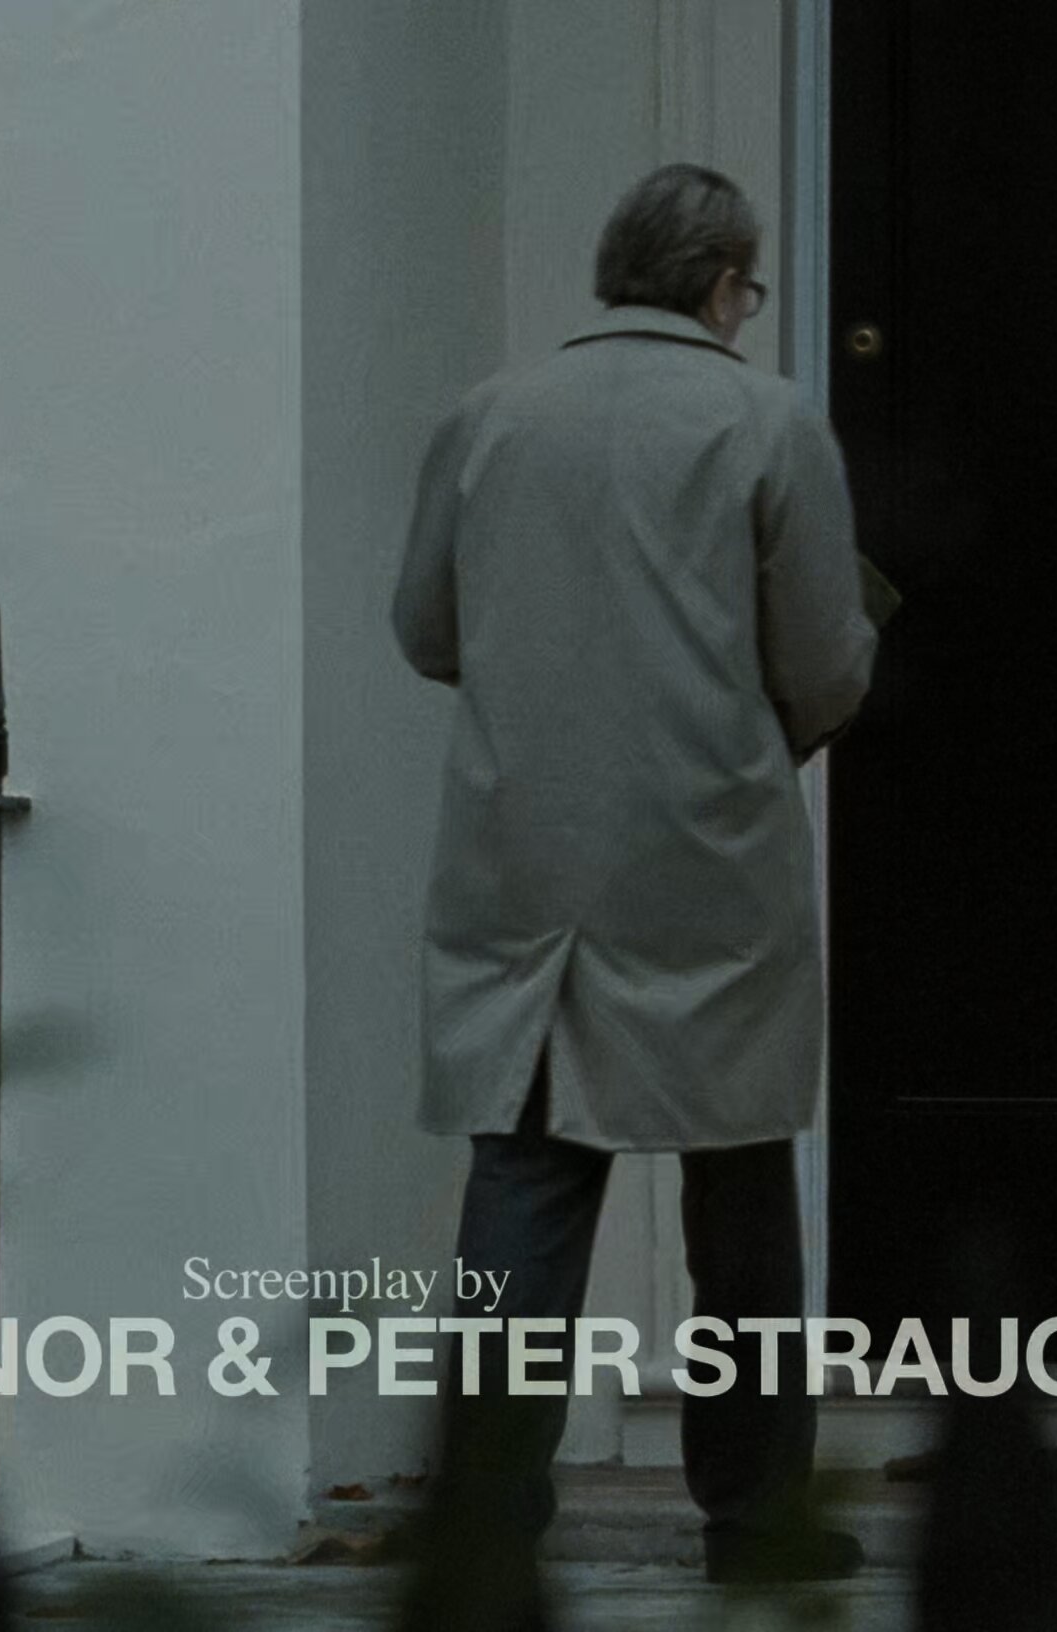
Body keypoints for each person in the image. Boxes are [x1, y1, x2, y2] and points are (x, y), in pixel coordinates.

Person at [388, 162, 878, 1600]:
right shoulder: (767, 423)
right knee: (740, 1188)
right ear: (725, 282)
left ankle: (484, 1525)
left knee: (527, 1170)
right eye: (750, 286)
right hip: (709, 853)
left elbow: (424, 629)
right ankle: (755, 1519)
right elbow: (825, 666)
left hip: (527, 852)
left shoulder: (489, 416)